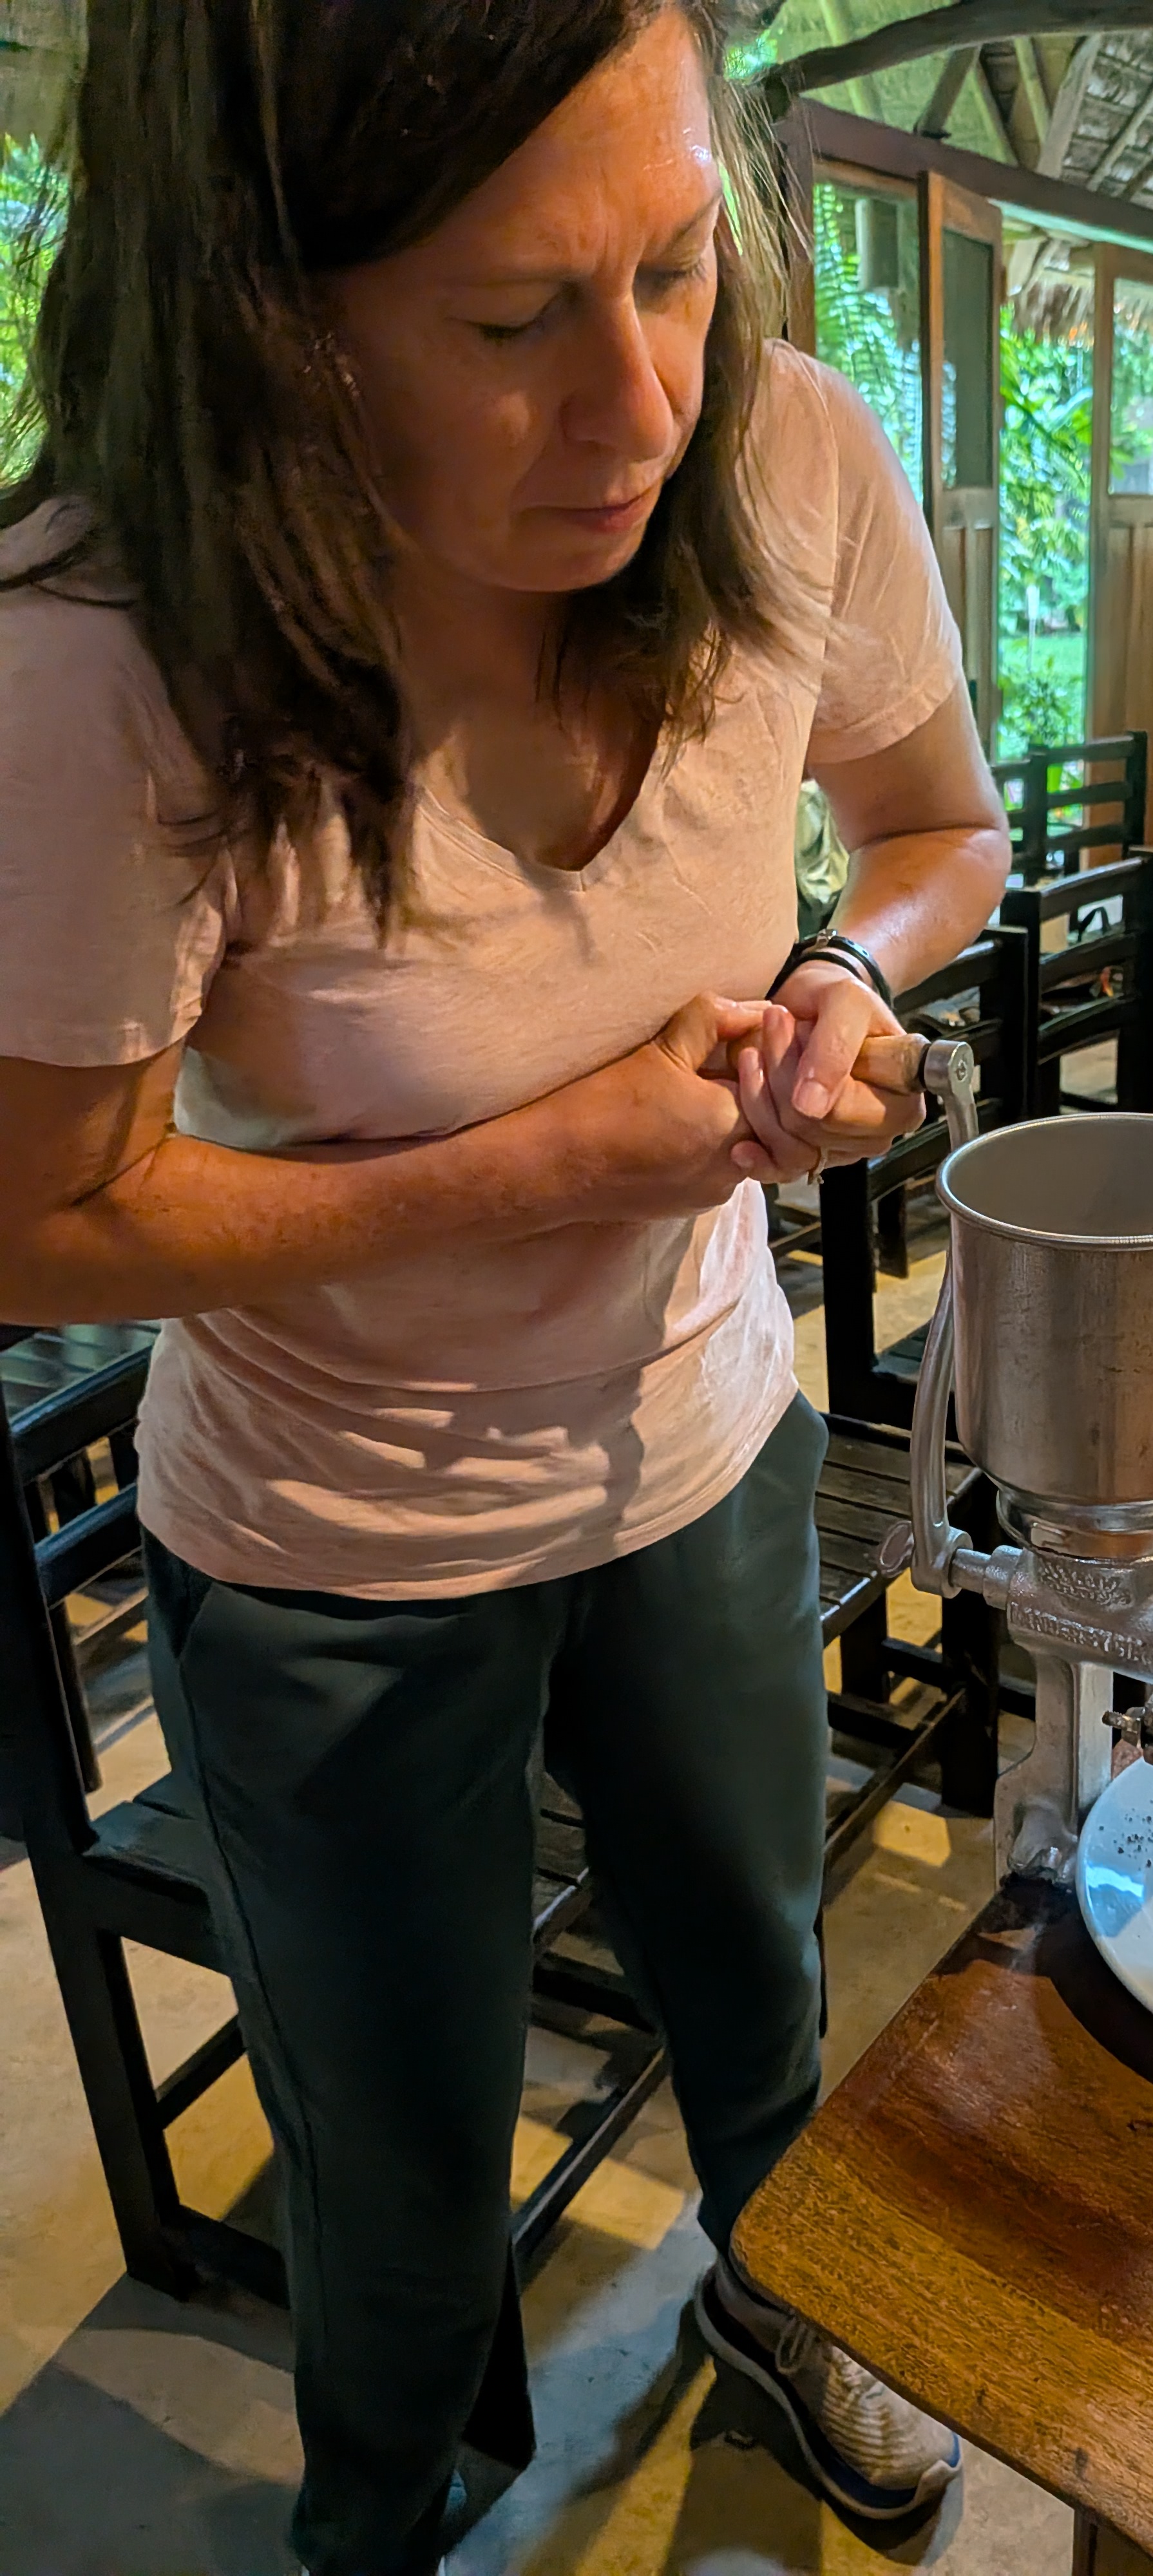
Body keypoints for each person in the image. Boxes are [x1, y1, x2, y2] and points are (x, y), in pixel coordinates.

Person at [0, 5, 1011, 2571]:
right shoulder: (110, 637)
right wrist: (548, 1162)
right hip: (336, 1550)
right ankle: (385, 2515)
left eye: (676, 266)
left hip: (704, 1439)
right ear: (269, 314)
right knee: (405, 2150)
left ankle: (785, 2305)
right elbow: (37, 1217)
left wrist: (851, 985)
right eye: (509, 318)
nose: (641, 406)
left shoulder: (787, 458)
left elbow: (937, 829)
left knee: (761, 1983)